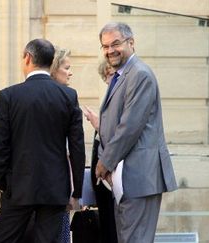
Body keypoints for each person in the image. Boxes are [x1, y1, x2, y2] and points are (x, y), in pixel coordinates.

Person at [0, 39, 85, 243]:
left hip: (17, 187)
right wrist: (77, 190)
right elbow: (77, 147)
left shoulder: (8, 96)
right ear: (51, 62)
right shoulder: (68, 96)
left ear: (28, 57)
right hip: (54, 188)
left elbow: (1, 146)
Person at [95, 22, 177, 243]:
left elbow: (129, 127)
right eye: (105, 46)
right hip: (128, 177)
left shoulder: (139, 74)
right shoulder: (122, 75)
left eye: (116, 44)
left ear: (131, 43)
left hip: (139, 176)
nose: (110, 50)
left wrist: (105, 161)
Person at [83, 60, 118, 243]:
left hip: (112, 173)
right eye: (106, 76)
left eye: (111, 74)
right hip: (101, 175)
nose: (108, 80)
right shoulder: (110, 96)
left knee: (114, 227)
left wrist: (98, 125)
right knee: (106, 225)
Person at [49, 46, 76, 243]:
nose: (70, 72)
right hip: (56, 184)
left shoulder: (67, 96)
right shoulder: (65, 98)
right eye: (66, 68)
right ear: (53, 69)